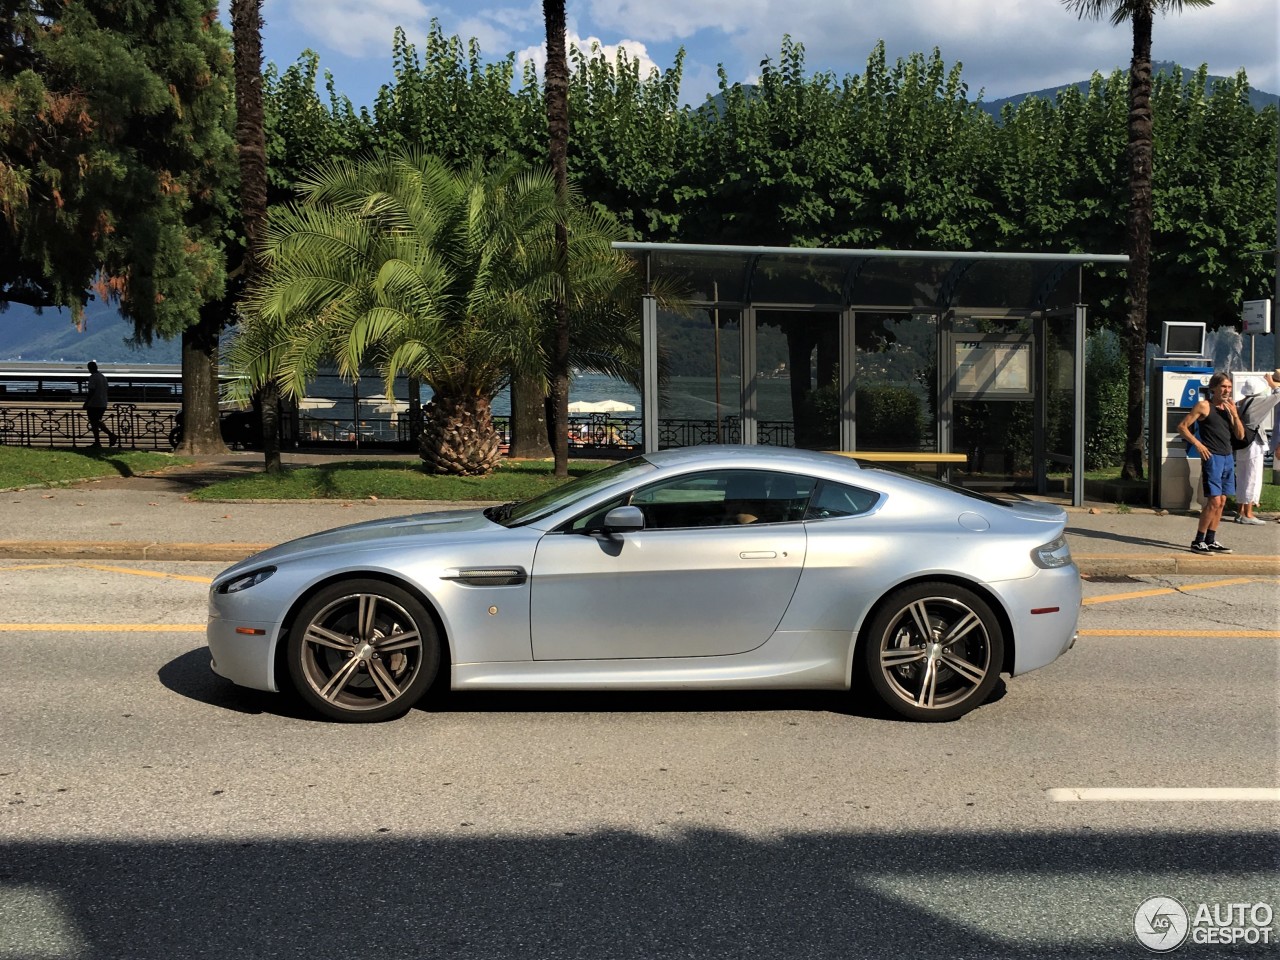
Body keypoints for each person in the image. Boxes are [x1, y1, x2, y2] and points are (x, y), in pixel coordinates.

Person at [1177, 372, 1245, 553]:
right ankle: (1198, 540)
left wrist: (1235, 415)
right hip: (1212, 457)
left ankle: (1211, 538)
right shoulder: (1204, 406)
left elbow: (1240, 435)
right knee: (1213, 501)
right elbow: (1182, 427)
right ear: (1213, 388)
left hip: (1228, 456)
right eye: (1223, 387)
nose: (1227, 391)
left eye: (1229, 387)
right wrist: (1198, 444)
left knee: (1222, 501)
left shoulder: (1228, 409)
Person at [1232, 372, 1280, 524]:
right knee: (1252, 477)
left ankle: (1240, 511)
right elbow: (1278, 395)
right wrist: (1272, 384)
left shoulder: (1242, 402)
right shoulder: (1258, 401)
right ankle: (1248, 513)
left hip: (1241, 443)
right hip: (1253, 442)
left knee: (1242, 476)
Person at [83, 360, 118, 448]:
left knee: (94, 422)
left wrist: (86, 402)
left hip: (94, 403)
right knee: (97, 421)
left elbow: (91, 391)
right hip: (103, 402)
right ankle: (101, 440)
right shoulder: (103, 377)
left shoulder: (93, 377)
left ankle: (105, 437)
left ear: (89, 369)